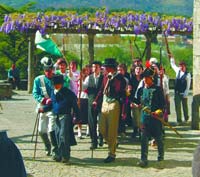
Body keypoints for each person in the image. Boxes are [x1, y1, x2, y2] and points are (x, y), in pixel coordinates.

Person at [40, 74, 80, 163]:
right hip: (56, 116)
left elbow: (75, 105)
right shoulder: (53, 92)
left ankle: (65, 156)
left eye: (58, 84)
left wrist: (77, 116)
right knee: (57, 135)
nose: (56, 86)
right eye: (55, 84)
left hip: (65, 116)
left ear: (61, 84)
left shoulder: (68, 92)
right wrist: (43, 109)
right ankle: (60, 154)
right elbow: (51, 105)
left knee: (63, 136)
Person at [93, 58, 126, 163]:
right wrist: (96, 101)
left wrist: (112, 80)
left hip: (114, 104)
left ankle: (111, 153)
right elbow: (101, 90)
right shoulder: (104, 77)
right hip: (104, 103)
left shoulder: (120, 78)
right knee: (102, 128)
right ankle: (113, 143)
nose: (104, 69)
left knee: (112, 130)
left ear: (111, 68)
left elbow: (118, 92)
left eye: (106, 67)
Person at [134, 67, 165, 167]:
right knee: (143, 138)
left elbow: (163, 105)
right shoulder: (141, 90)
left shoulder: (158, 90)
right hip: (145, 119)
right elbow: (136, 102)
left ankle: (161, 154)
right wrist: (128, 94)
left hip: (156, 119)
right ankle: (144, 159)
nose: (145, 80)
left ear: (151, 78)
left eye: (147, 78)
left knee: (158, 138)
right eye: (144, 78)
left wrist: (158, 112)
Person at [32, 57, 59, 161]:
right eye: (46, 70)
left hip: (53, 107)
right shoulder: (38, 80)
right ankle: (47, 145)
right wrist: (43, 100)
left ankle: (55, 150)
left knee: (52, 129)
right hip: (43, 107)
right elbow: (35, 93)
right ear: (44, 70)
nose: (48, 72)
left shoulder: (57, 78)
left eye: (50, 69)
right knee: (41, 130)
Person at [82, 61, 104, 149]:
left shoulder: (104, 78)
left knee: (101, 122)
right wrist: (81, 80)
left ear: (100, 68)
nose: (95, 69)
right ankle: (93, 142)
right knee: (92, 122)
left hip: (101, 103)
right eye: (93, 67)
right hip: (91, 102)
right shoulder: (89, 77)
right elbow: (84, 88)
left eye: (96, 67)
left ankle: (101, 138)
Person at [169, 54, 191, 125]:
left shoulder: (188, 74)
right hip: (177, 92)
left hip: (183, 92)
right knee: (177, 107)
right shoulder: (177, 71)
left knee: (185, 107)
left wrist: (186, 93)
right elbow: (173, 65)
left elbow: (188, 85)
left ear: (185, 66)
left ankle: (186, 119)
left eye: (182, 66)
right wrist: (172, 58)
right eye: (180, 66)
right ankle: (179, 120)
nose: (181, 67)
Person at [129, 63, 143, 139]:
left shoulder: (144, 79)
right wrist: (131, 102)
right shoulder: (131, 79)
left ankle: (141, 132)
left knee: (141, 118)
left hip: (142, 101)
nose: (138, 70)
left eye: (139, 69)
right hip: (134, 101)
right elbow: (129, 92)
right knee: (135, 117)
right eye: (136, 69)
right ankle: (135, 130)